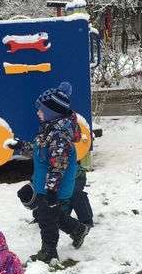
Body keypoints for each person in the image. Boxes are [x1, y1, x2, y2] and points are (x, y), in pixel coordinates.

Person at [13, 81, 90, 263]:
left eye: (40, 109)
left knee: (46, 219)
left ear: (52, 111)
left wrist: (52, 191)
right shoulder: (48, 130)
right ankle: (78, 229)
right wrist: (20, 146)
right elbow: (39, 151)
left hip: (54, 187)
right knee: (50, 214)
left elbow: (58, 165)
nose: (38, 112)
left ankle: (49, 252)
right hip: (45, 184)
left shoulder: (59, 135)